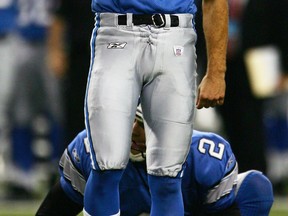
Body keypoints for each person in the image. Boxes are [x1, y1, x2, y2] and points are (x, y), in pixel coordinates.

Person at [84, 0, 228, 215]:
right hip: (116, 32)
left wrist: (217, 73)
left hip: (176, 35)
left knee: (168, 176)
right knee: (107, 166)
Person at [36, 107, 274, 216]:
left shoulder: (204, 155)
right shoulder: (91, 146)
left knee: (256, 189)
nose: (132, 130)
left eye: (141, 122)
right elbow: (57, 207)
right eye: (127, 118)